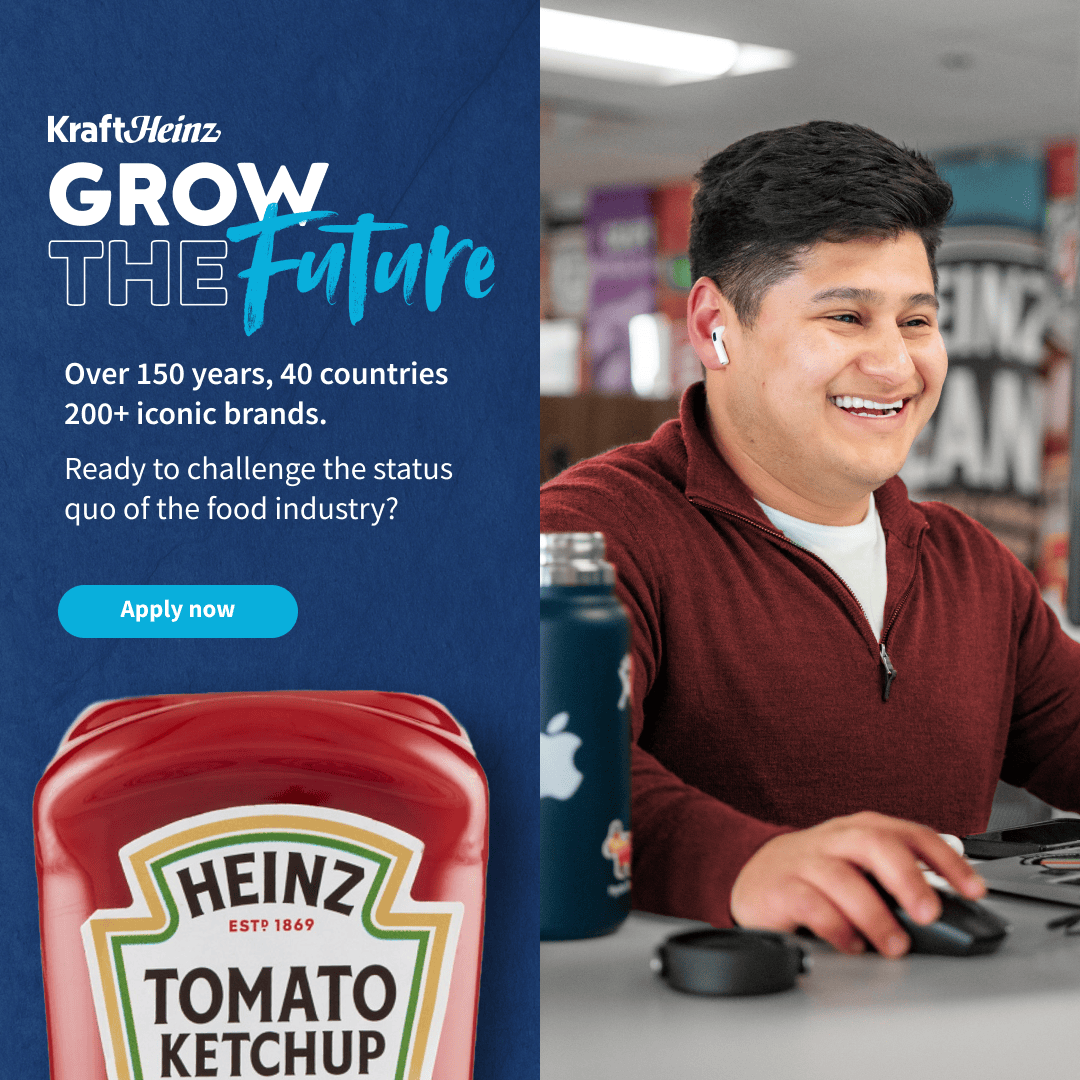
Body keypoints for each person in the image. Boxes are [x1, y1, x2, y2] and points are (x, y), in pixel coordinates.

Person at [540, 120, 1080, 959]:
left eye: (915, 319)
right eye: (846, 316)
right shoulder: (587, 534)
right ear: (715, 325)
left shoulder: (971, 565)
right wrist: (748, 863)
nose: (896, 364)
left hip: (943, 1025)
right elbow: (539, 760)